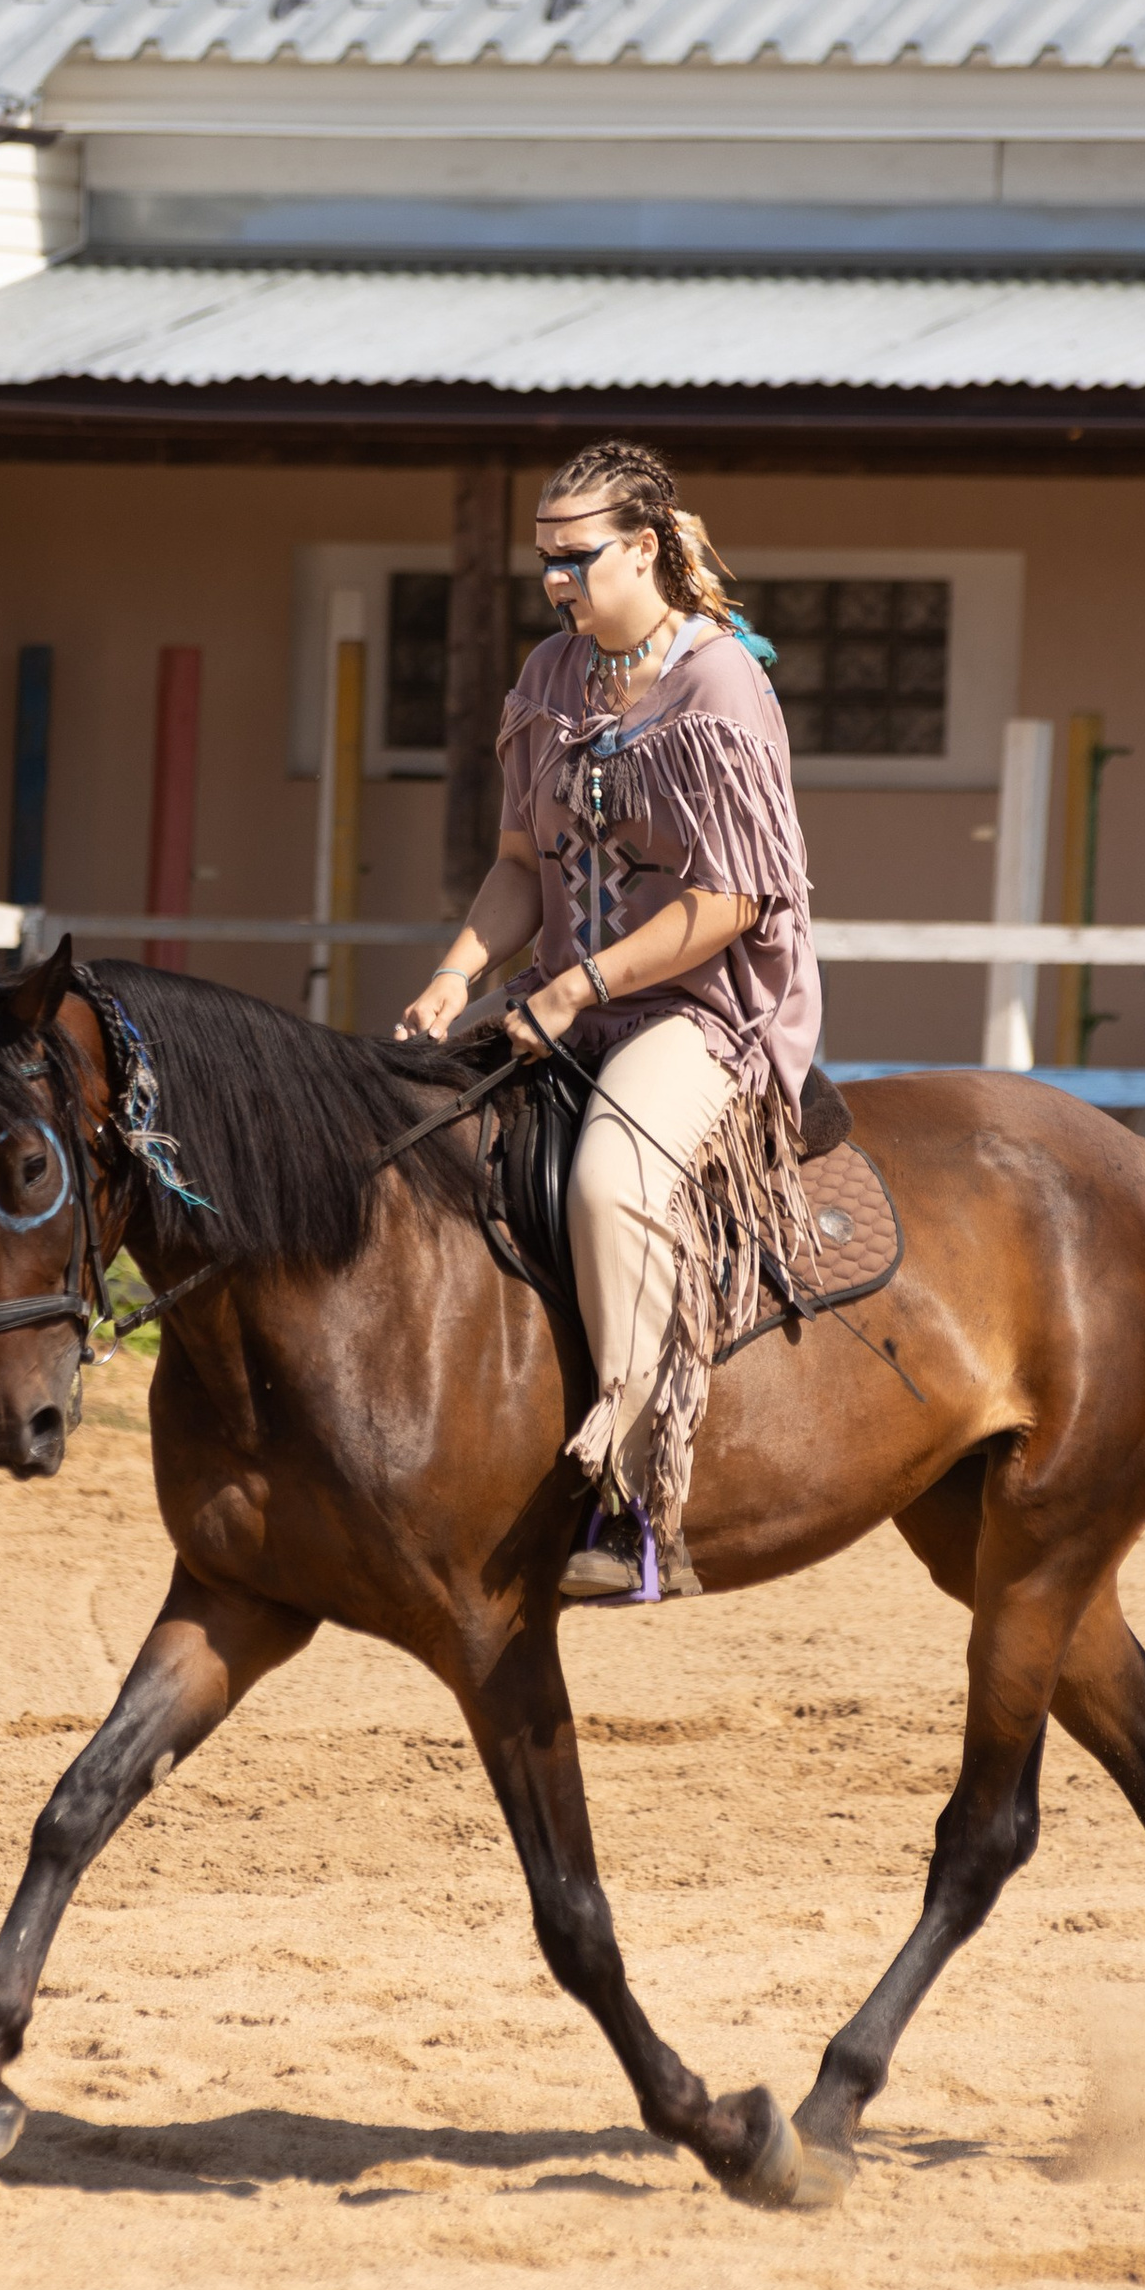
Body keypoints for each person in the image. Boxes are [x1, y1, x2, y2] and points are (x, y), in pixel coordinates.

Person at [398, 443, 821, 1603]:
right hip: (553, 1006)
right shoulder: (549, 677)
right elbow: (519, 865)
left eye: (575, 558)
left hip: (701, 1009)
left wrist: (575, 990)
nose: (555, 583)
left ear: (643, 547)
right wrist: (455, 975)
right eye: (543, 563)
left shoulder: (721, 684)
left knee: (608, 1187)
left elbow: (731, 902)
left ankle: (635, 1500)